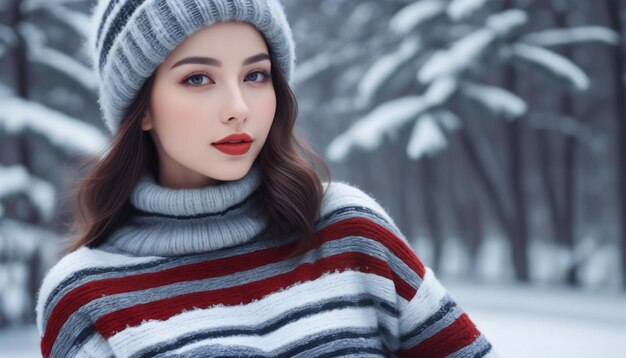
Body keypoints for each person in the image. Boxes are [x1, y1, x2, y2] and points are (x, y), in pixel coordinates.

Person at [35, 0, 498, 357]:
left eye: (256, 75)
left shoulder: (348, 231)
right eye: (198, 78)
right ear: (142, 108)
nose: (239, 106)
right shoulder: (85, 296)